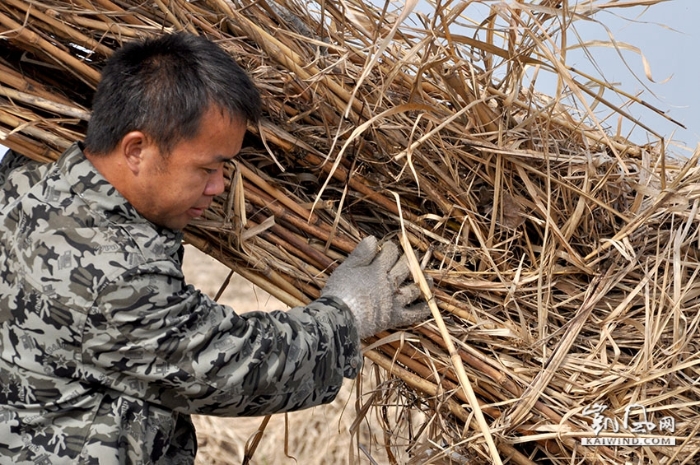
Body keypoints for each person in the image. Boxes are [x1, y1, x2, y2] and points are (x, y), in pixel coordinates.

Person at [0, 33, 429, 464]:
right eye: (207, 167)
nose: (219, 186)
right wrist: (349, 314)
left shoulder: (26, 170)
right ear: (135, 149)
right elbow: (231, 368)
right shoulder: (118, 275)